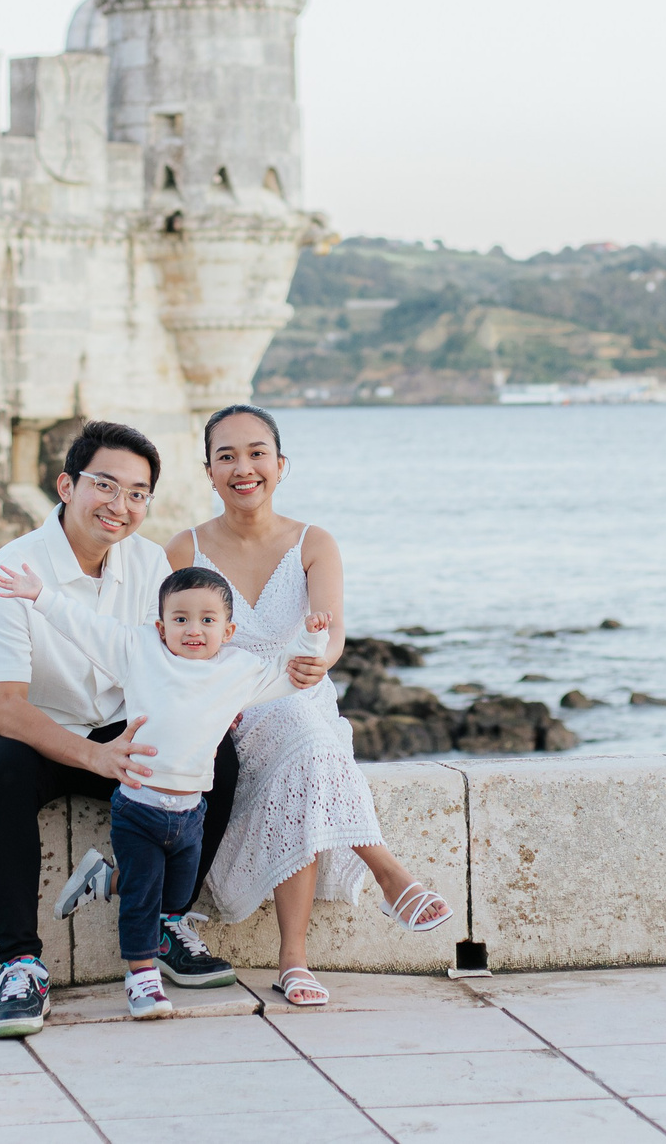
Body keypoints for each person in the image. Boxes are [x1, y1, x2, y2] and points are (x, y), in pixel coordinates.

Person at [0, 420, 241, 1039]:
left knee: (223, 753)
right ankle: (20, 966)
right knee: (1, 769)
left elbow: (174, 667)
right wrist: (95, 757)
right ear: (66, 485)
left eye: (138, 493)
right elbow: (3, 706)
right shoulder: (12, 569)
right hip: (26, 734)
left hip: (114, 730)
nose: (121, 505)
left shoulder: (149, 563)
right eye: (105, 485)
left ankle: (163, 922)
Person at [174, 403, 455, 1010]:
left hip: (303, 695)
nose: (243, 467)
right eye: (227, 456)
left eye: (256, 454)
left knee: (305, 736)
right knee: (306, 742)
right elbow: (176, 642)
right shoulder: (184, 548)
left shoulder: (313, 542)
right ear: (208, 471)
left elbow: (331, 632)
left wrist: (319, 658)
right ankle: (382, 878)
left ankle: (299, 957)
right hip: (231, 711)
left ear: (281, 465)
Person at [0, 561, 328, 1017]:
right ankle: (143, 980)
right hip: (139, 807)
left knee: (172, 898)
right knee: (144, 901)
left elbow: (288, 677)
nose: (194, 629)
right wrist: (40, 596)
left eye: (207, 620)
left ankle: (106, 879)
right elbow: (87, 628)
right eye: (181, 619)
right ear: (161, 625)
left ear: (228, 630)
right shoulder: (139, 650)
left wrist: (312, 640)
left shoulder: (238, 671)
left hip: (191, 815)